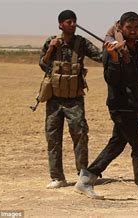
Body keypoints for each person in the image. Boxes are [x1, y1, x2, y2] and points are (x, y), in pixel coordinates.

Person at [74, 12, 138, 204]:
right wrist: (114, 58)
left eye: (135, 28)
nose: (132, 31)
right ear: (121, 28)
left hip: (134, 104)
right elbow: (112, 80)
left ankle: (86, 179)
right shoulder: (112, 48)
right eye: (129, 28)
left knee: (116, 144)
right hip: (120, 106)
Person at [39, 9, 103, 189]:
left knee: (80, 135)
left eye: (74, 21)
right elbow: (43, 64)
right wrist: (51, 47)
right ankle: (57, 177)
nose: (73, 25)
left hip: (74, 100)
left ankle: (83, 175)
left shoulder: (81, 43)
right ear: (60, 25)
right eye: (69, 22)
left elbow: (100, 57)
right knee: (53, 137)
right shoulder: (52, 42)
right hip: (54, 99)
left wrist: (112, 48)